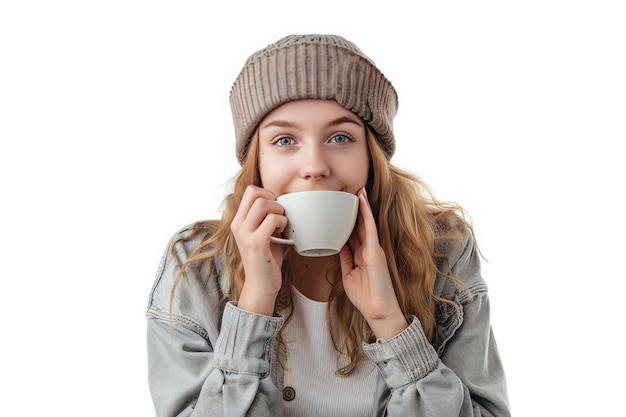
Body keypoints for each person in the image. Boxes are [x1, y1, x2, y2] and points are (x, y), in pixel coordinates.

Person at [146, 34, 510, 417]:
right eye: (285, 139)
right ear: (258, 160)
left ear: (371, 155)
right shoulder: (195, 266)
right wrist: (253, 305)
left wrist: (393, 326)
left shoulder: (444, 250)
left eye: (340, 137)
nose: (314, 166)